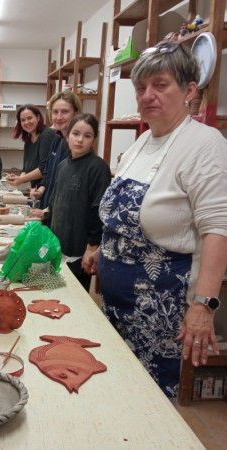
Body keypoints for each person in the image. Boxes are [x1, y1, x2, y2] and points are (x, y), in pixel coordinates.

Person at [86, 41, 227, 398]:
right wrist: (104, 249)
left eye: (160, 85)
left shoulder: (205, 144)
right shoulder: (143, 141)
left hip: (160, 312)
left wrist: (204, 305)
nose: (147, 95)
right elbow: (122, 216)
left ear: (189, 91)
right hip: (116, 303)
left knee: (148, 402)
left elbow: (218, 229)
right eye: (141, 87)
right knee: (115, 391)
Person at [49, 114, 111, 292]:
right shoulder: (62, 166)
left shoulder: (97, 167)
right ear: (67, 135)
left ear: (94, 140)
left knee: (74, 296)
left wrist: (91, 247)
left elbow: (99, 210)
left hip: (79, 250)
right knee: (54, 295)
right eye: (76, 133)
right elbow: (57, 201)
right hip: (57, 246)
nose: (80, 140)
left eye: (87, 135)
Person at [29, 90, 82, 221]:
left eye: (65, 112)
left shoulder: (78, 146)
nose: (59, 117)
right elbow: (47, 173)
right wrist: (39, 191)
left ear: (76, 113)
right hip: (49, 211)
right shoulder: (57, 139)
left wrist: (48, 212)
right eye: (55, 112)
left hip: (63, 216)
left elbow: (70, 192)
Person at [5, 104, 55, 188]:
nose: (26, 122)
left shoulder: (47, 135)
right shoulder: (28, 139)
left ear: (38, 117)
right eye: (23, 120)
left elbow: (44, 168)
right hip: (35, 189)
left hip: (47, 188)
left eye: (29, 118)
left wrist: (21, 179)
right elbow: (26, 169)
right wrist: (17, 178)